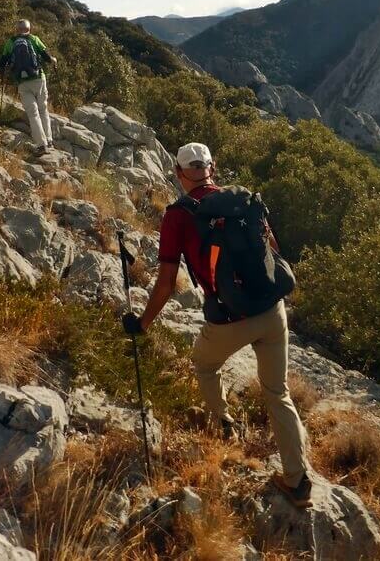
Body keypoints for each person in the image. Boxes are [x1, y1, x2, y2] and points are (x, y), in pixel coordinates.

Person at [124, 142, 314, 508]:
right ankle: (298, 480)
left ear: (180, 174)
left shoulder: (178, 215)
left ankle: (224, 423)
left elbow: (166, 282)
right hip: (272, 311)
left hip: (228, 318)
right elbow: (272, 248)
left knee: (205, 364)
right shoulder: (241, 199)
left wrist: (143, 323)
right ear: (212, 168)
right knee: (278, 393)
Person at [0, 19, 57, 155]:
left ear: (17, 30)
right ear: (29, 29)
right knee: (43, 110)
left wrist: (5, 72)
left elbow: (2, 62)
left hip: (22, 82)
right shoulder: (34, 39)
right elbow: (46, 56)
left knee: (33, 113)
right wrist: (54, 60)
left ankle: (41, 145)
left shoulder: (11, 42)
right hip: (38, 79)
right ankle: (49, 140)